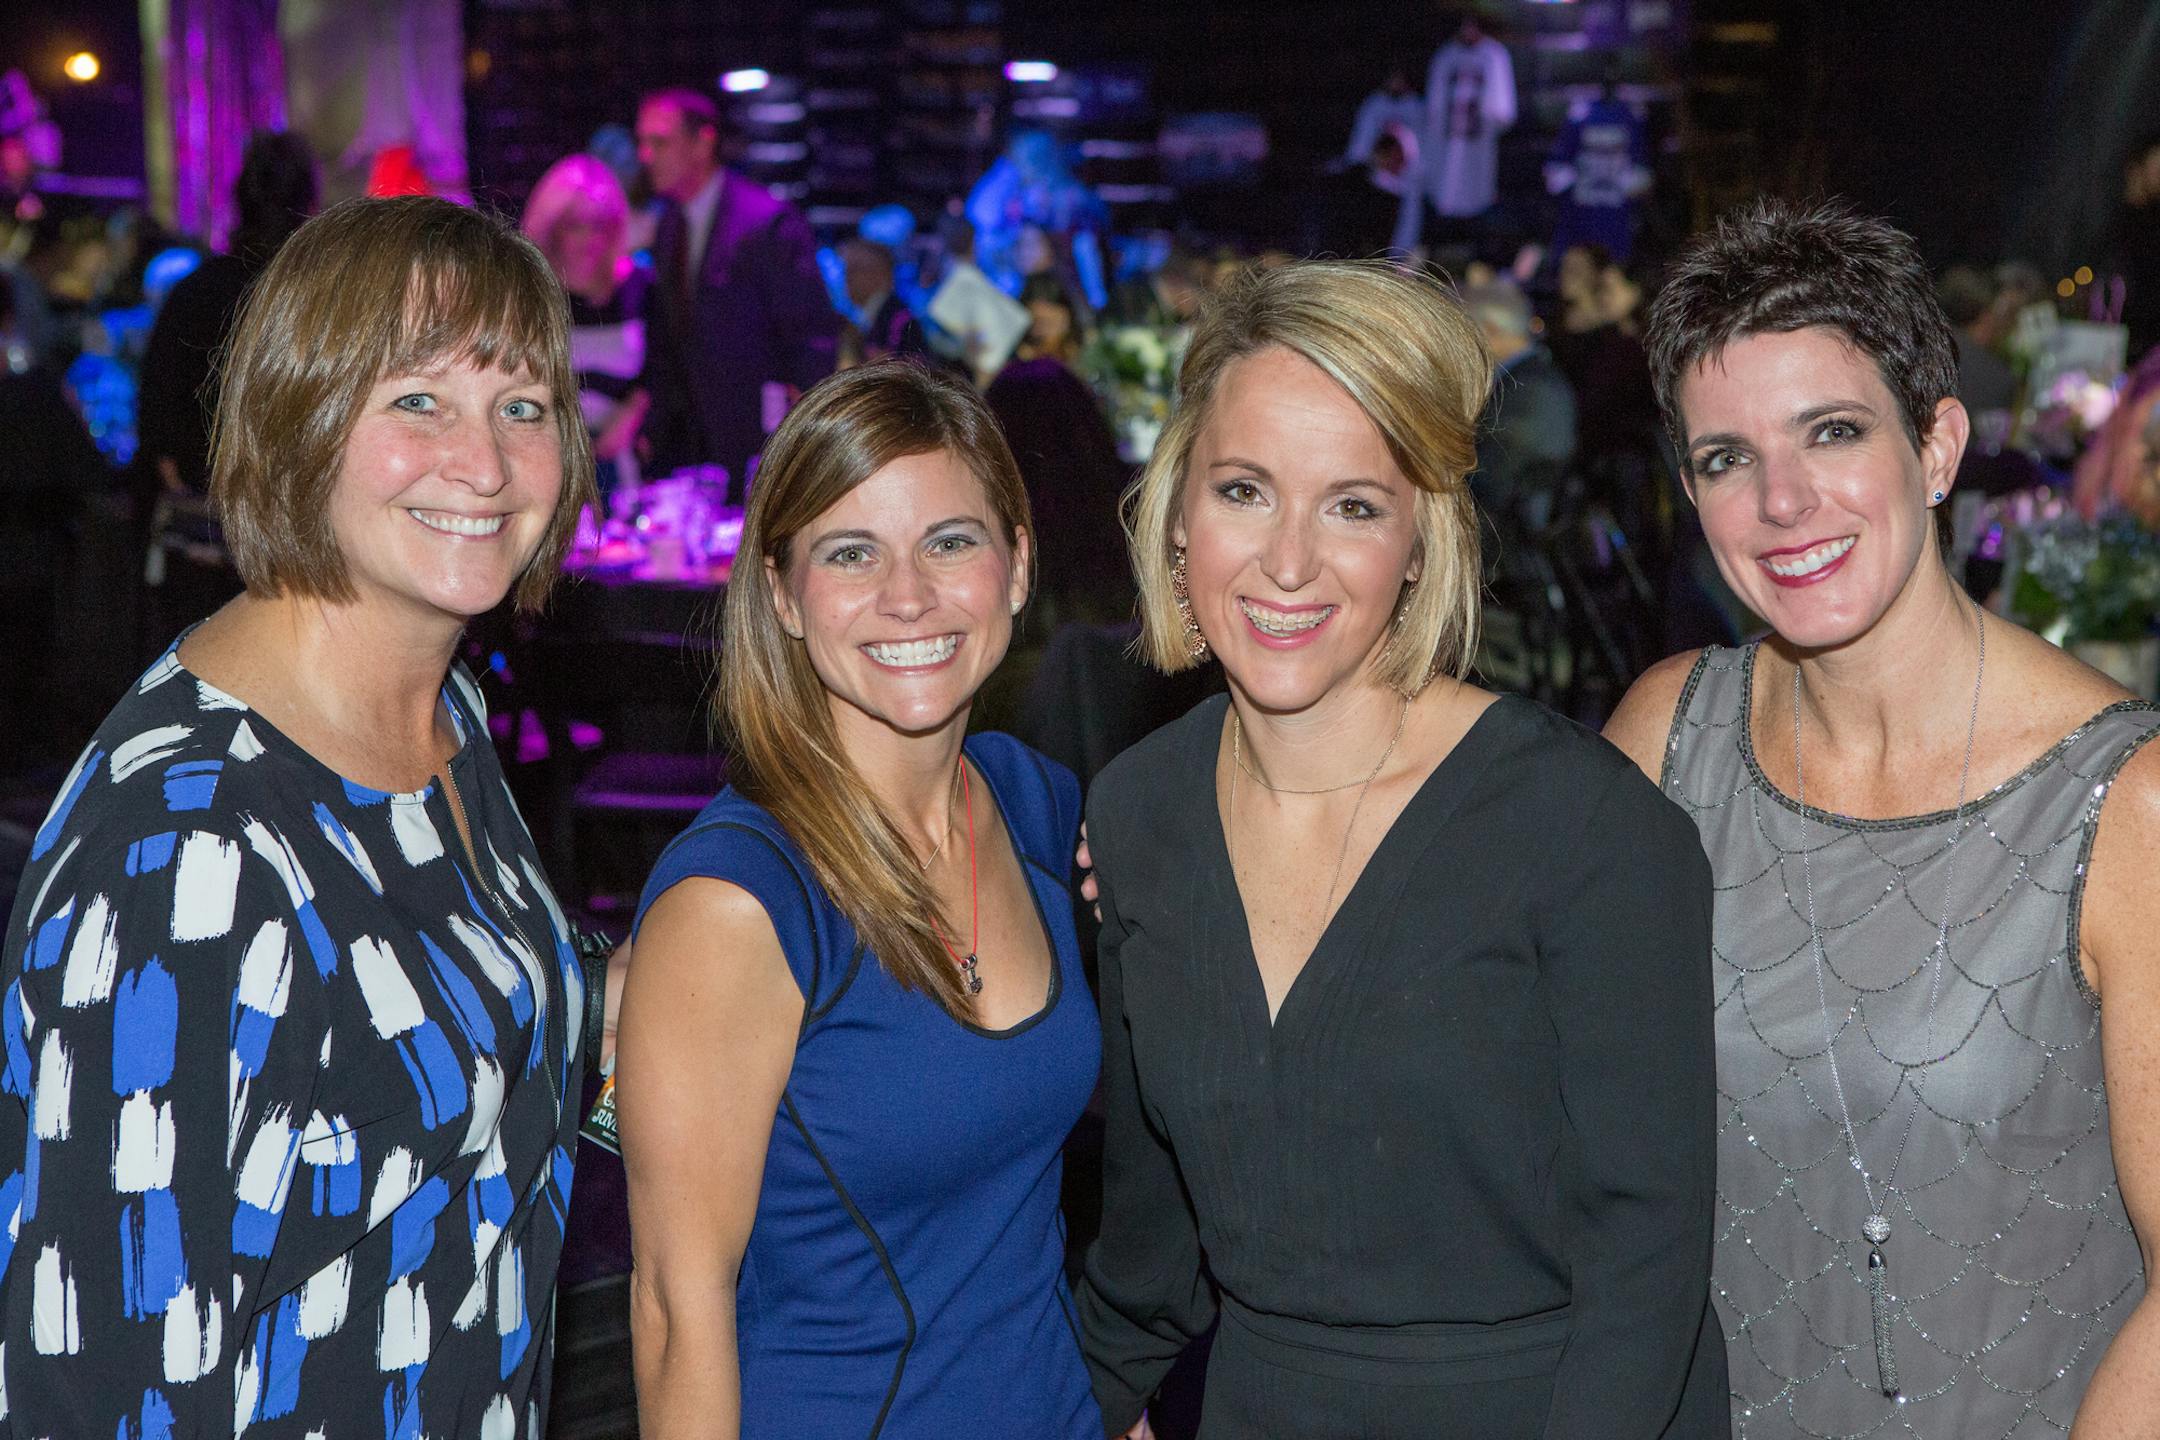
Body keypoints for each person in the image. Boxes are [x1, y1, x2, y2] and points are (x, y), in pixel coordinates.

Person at [0, 195, 620, 1434]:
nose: (486, 462)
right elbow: (102, 1385)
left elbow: (473, 1033)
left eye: (523, 406)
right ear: (300, 417)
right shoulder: (188, 850)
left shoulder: (447, 715)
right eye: (416, 401)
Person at [1076, 259, 1726, 1439]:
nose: (1287, 561)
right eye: (1244, 491)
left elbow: (1649, 1271)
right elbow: (1148, 1248)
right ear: (1178, 515)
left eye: (1354, 505)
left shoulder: (1586, 831)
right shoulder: (1137, 816)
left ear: (1421, 541)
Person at [1604, 199, 2160, 1435]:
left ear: (1940, 446)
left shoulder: (2127, 806)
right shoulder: (1666, 742)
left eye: (1834, 432)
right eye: (1725, 458)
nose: (1782, 500)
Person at [616, 361, 1101, 1438]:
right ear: (783, 594)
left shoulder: (1033, 803)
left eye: (951, 541)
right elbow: (672, 1309)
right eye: (851, 552)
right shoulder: (741, 903)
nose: (909, 595)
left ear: (1017, 565)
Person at [635, 86, 838, 494]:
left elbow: (811, 337)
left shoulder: (765, 221)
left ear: (703, 142)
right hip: (695, 444)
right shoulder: (671, 225)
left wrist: (799, 434)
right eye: (642, 143)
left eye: (659, 142)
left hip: (758, 439)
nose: (646, 155)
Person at [522, 151, 653, 497]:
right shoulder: (533, 296)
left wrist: (632, 412)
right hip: (548, 464)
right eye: (575, 226)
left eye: (599, 226)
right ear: (552, 230)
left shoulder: (639, 288)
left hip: (623, 471)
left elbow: (663, 373)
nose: (589, 239)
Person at [1395, 9, 1517, 258]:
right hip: (1447, 146)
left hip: (1477, 145)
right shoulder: (1446, 55)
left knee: (1476, 197)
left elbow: (1502, 110)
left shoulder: (1493, 55)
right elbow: (1434, 108)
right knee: (1444, 194)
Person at [1461, 278, 1576, 527]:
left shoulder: (1533, 390)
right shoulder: (1527, 379)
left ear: (1490, 330)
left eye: (1462, 332)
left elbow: (1495, 476)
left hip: (1509, 539)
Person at [836, 236, 927, 365]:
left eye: (854, 270)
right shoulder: (867, 318)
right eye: (845, 271)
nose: (846, 279)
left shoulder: (900, 321)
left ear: (881, 274)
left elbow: (909, 372)